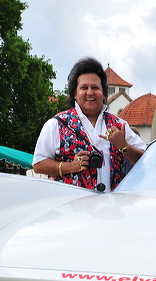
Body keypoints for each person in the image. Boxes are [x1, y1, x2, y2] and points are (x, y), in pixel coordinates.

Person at [33, 57, 146, 191]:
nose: (90, 92)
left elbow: (147, 160)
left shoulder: (119, 125)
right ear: (75, 93)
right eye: (84, 87)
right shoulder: (56, 125)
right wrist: (70, 166)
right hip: (70, 207)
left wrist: (124, 146)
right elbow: (38, 164)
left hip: (113, 208)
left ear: (103, 93)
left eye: (95, 87)